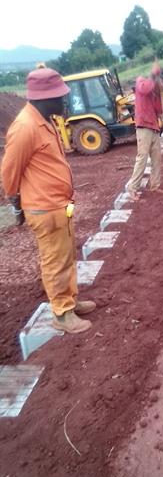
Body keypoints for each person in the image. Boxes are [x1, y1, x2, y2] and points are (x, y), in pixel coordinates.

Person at [1, 68, 96, 334]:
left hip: (59, 205)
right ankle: (62, 313)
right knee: (55, 260)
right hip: (44, 208)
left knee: (66, 255)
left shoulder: (45, 120)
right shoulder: (25, 127)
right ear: (44, 98)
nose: (64, 100)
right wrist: (16, 204)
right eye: (59, 96)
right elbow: (9, 172)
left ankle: (70, 301)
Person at [127, 63, 163, 200]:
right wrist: (153, 76)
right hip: (143, 127)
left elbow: (158, 109)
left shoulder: (155, 92)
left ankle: (155, 185)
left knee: (157, 158)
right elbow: (144, 89)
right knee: (142, 158)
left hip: (154, 127)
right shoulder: (142, 82)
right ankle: (133, 188)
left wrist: (159, 94)